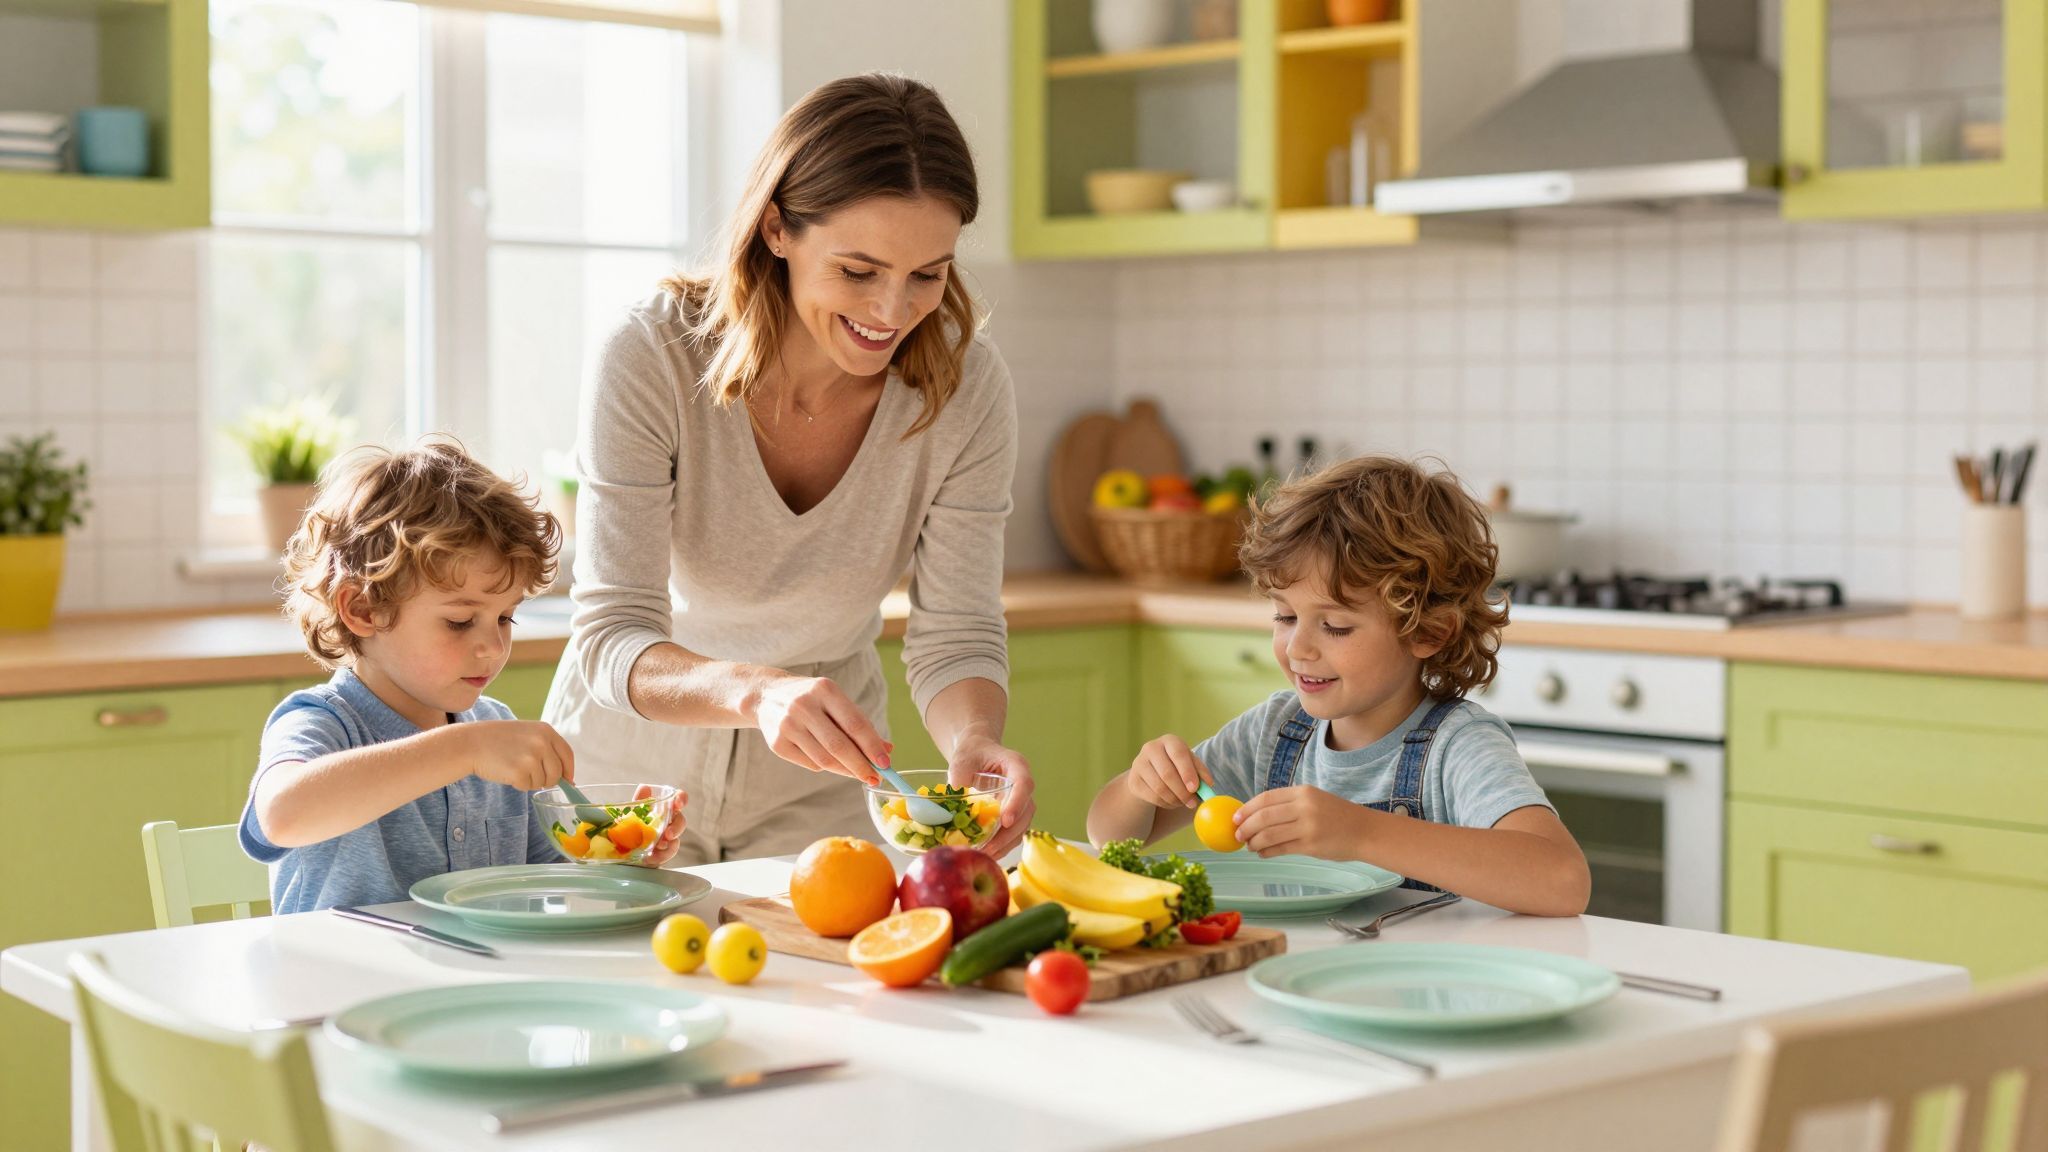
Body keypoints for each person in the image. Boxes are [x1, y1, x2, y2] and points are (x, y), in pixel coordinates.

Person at [544, 73, 1035, 864]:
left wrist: (973, 740)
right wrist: (758, 692)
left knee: (813, 984)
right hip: (627, 771)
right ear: (777, 229)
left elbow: (956, 633)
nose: (891, 312)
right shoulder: (653, 357)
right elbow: (611, 636)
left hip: (818, 780)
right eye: (858, 271)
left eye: (928, 275)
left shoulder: (964, 388)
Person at [1085, 456, 1590, 917]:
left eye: (1336, 627)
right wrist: (1139, 786)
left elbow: (1562, 880)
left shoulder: (1458, 745)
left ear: (1429, 632)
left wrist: (1362, 832)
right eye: (1285, 616)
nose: (1299, 647)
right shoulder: (1276, 733)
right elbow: (1108, 836)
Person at [239, 439, 685, 914]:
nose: (492, 647)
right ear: (363, 610)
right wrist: (465, 750)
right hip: (345, 986)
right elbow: (282, 815)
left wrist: (618, 858)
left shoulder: (494, 731)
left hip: (475, 982)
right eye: (459, 621)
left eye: (505, 619)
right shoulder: (323, 724)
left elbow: (548, 889)